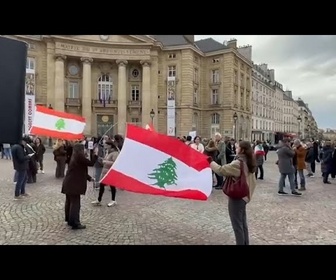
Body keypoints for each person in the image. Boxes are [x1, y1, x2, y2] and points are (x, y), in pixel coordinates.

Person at [208, 141, 257, 245]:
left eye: (237, 147)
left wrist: (210, 162)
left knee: (237, 226)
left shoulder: (238, 163)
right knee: (243, 224)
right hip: (244, 196)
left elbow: (221, 170)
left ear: (242, 150)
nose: (236, 149)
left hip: (238, 197)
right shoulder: (249, 160)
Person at [61, 143, 97, 230]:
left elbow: (80, 170)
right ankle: (75, 223)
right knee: (75, 204)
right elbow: (91, 163)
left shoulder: (74, 157)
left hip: (69, 183)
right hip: (74, 184)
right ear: (81, 150)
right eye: (83, 149)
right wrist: (94, 154)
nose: (85, 150)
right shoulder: (79, 157)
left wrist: (89, 178)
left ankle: (69, 220)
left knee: (69, 202)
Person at [92, 140, 119, 206]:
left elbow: (115, 163)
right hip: (104, 171)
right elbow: (105, 160)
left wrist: (105, 162)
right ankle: (99, 200)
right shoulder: (108, 152)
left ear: (110, 145)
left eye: (106, 145)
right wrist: (100, 159)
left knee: (112, 186)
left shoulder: (115, 153)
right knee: (102, 185)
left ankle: (113, 200)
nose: (105, 146)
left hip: (110, 172)